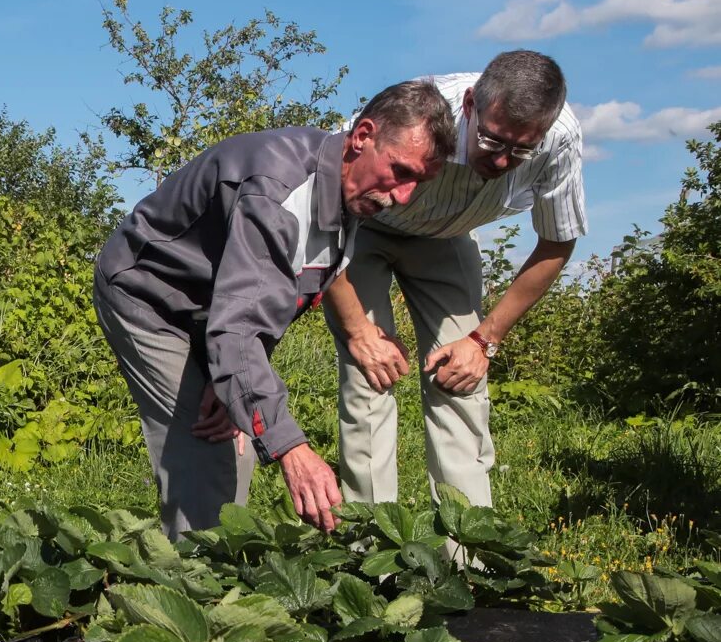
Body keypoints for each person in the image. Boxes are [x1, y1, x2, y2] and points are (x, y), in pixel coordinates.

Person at [94, 81, 456, 539]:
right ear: (363, 136)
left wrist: (228, 378)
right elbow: (240, 326)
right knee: (210, 455)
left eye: (417, 183)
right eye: (400, 172)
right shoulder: (280, 192)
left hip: (212, 309)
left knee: (238, 442)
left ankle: (208, 574)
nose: (403, 196)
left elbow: (275, 298)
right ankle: (185, 593)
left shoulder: (348, 194)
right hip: (149, 294)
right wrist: (294, 452)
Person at [323, 51, 584, 509]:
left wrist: (484, 340)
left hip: (446, 238)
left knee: (460, 377)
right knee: (372, 373)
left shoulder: (560, 138)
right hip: (360, 226)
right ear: (469, 105)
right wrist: (361, 333)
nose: (504, 162)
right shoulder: (411, 115)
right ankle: (371, 550)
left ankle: (469, 557)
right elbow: (318, 216)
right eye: (493, 141)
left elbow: (556, 243)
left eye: (522, 149)